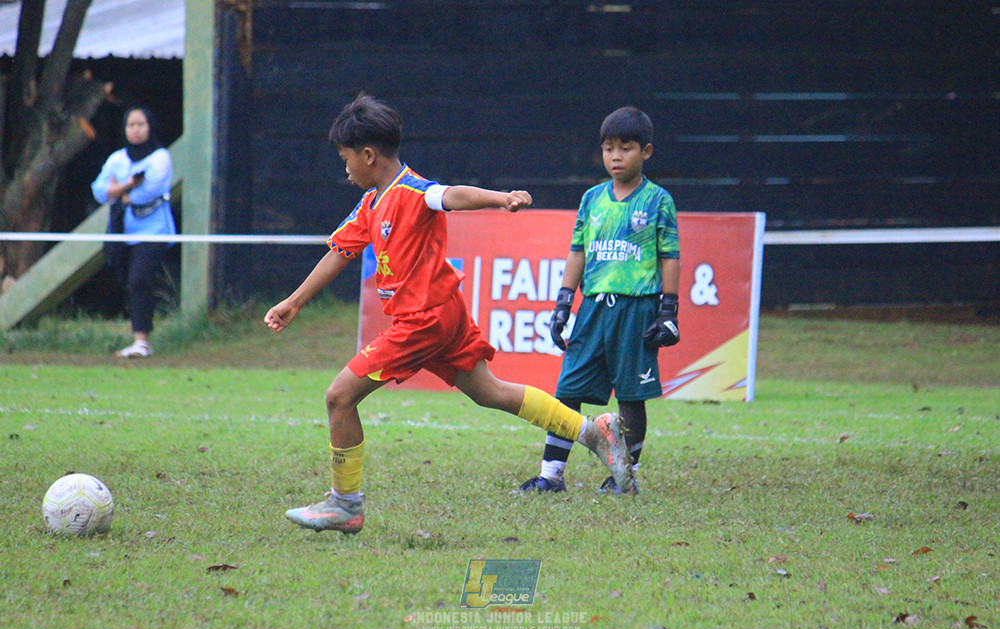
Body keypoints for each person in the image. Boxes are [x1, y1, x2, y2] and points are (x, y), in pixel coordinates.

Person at [265, 94, 633, 534]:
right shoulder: (370, 203)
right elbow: (340, 253)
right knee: (490, 393)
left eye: (345, 158)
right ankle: (594, 431)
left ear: (368, 155)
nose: (344, 168)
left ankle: (345, 505)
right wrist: (294, 301)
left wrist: (501, 199)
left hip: (424, 321)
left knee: (338, 397)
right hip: (443, 315)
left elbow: (452, 195)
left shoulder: (412, 190)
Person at [513, 106, 680, 496]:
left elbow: (670, 256)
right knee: (568, 390)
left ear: (647, 152)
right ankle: (551, 475)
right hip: (592, 311)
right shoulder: (591, 200)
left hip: (637, 309)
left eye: (626, 148)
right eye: (608, 148)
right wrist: (562, 304)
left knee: (631, 396)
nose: (616, 156)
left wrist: (669, 311)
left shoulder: (658, 200)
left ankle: (625, 475)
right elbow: (578, 252)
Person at [91, 106, 176, 358]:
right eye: (131, 125)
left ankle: (142, 341)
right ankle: (139, 334)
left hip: (153, 231)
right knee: (129, 282)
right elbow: (98, 190)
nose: (136, 130)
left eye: (141, 124)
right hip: (122, 231)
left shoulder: (160, 157)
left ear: (150, 126)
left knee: (139, 280)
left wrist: (119, 192)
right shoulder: (118, 159)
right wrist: (127, 186)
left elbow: (151, 189)